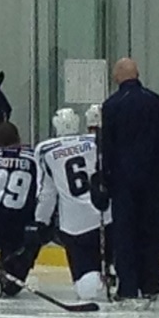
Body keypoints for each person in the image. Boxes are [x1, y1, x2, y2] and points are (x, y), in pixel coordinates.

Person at [96, 58, 159, 302]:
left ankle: (128, 286)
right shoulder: (157, 102)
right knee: (151, 230)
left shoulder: (112, 105)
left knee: (125, 232)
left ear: (118, 76)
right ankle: (150, 282)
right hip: (153, 178)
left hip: (123, 179)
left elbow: (107, 146)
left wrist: (104, 177)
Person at [34, 108, 113, 302]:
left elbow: (47, 193)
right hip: (106, 218)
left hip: (74, 226)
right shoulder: (96, 142)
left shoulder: (46, 150)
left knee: (86, 290)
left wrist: (40, 222)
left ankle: (94, 280)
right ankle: (113, 273)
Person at [0, 121, 40, 296]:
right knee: (12, 288)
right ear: (18, 137)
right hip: (19, 224)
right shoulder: (34, 158)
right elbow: (42, 191)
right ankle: (12, 267)